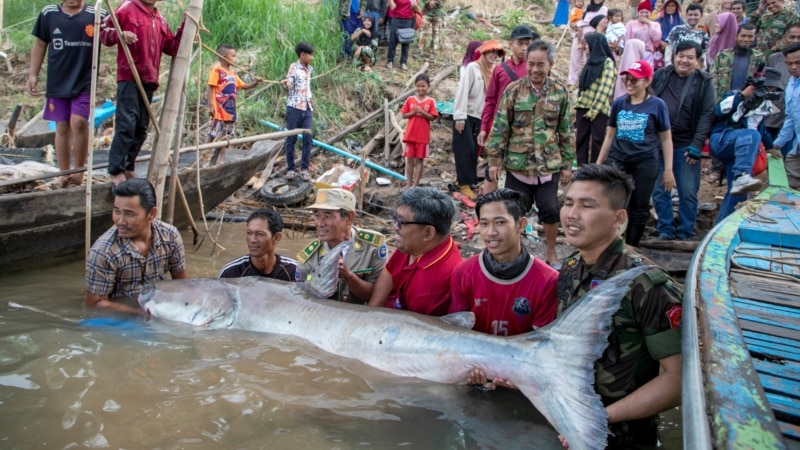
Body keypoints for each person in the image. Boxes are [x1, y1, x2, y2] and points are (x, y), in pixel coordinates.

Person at [557, 164, 683, 448]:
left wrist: (599, 417)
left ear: (619, 218)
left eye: (587, 205)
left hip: (625, 435)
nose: (572, 214)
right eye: (568, 203)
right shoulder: (571, 267)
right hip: (570, 422)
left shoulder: (646, 284)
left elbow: (677, 381)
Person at [486, 40, 574, 267]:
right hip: (518, 164)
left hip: (548, 165)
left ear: (551, 64)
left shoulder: (560, 92)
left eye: (540, 65)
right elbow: (500, 127)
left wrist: (567, 165)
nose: (535, 69)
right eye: (531, 64)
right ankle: (514, 252)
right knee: (513, 211)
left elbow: (565, 131)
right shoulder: (514, 90)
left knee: (550, 209)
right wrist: (494, 162)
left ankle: (551, 251)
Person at [449, 189, 558, 335]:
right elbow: (457, 331)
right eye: (484, 224)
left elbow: (540, 341)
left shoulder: (547, 279)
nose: (490, 232)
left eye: (500, 222)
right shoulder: (463, 272)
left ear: (521, 224)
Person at [100, 0, 184, 186]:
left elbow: (172, 47)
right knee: (127, 123)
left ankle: (129, 166)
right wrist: (120, 35)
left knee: (141, 127)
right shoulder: (127, 8)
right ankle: (116, 170)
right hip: (130, 76)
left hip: (149, 79)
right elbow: (104, 32)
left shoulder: (160, 19)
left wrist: (185, 27)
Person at [27, 0, 107, 188]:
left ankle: (79, 170)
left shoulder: (97, 15)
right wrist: (33, 74)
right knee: (62, 126)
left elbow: (113, 37)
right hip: (57, 81)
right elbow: (40, 44)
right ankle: (64, 172)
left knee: (78, 122)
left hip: (84, 81)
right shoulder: (49, 14)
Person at [596, 59, 675, 247]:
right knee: (614, 202)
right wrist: (599, 163)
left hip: (645, 161)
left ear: (647, 82)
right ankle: (612, 243)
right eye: (627, 80)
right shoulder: (619, 104)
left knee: (639, 206)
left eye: (635, 80)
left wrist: (668, 169)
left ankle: (631, 247)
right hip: (619, 159)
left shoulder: (657, 105)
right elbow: (610, 135)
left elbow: (665, 138)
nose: (630, 84)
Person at [86, 179, 188, 314]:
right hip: (121, 317)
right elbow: (95, 303)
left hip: (156, 309)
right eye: (117, 211)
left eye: (129, 214)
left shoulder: (170, 236)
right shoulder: (104, 251)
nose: (121, 221)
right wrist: (142, 314)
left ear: (151, 214)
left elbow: (184, 285)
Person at [651, 41, 716, 241]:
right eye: (681, 56)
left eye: (690, 57)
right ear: (674, 56)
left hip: (686, 145)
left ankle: (687, 230)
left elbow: (706, 115)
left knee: (688, 190)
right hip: (658, 143)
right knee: (660, 190)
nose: (684, 60)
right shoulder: (662, 75)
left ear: (698, 61)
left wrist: (697, 145)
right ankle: (666, 230)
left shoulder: (704, 82)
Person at [368, 187, 462, 315]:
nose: (394, 226)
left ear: (428, 233)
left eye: (401, 221)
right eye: (395, 218)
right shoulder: (416, 244)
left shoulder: (430, 288)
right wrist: (371, 312)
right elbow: (388, 273)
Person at [709, 67, 784, 222]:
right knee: (751, 134)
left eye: (773, 88)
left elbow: (761, 130)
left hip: (742, 152)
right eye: (768, 87)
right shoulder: (734, 96)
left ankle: (723, 225)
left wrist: (770, 147)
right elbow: (718, 113)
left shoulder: (763, 106)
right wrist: (743, 97)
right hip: (723, 141)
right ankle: (742, 176)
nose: (770, 91)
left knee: (739, 193)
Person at [297, 188, 388, 304]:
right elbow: (302, 296)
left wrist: (348, 276)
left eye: (327, 216)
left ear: (349, 217)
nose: (320, 223)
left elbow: (379, 297)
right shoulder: (310, 255)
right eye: (317, 215)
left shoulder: (373, 246)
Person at [452, 40, 504, 199]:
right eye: (491, 52)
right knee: (465, 149)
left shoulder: (492, 71)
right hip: (466, 114)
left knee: (474, 150)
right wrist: (459, 116)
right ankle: (463, 183)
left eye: (497, 53)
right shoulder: (473, 68)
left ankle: (470, 181)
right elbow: (462, 91)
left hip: (480, 116)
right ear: (484, 53)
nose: (494, 56)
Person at [205, 44, 260, 165]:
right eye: (233, 56)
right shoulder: (217, 71)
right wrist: (210, 105)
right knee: (212, 134)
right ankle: (205, 157)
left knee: (226, 135)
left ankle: (221, 160)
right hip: (218, 110)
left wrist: (256, 83)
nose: (236, 59)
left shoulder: (233, 74)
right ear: (224, 57)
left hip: (229, 111)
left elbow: (243, 86)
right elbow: (210, 87)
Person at [218, 209, 299, 281]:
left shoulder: (294, 270)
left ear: (277, 237)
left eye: (260, 234)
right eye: (249, 233)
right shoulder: (231, 273)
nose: (252, 240)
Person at [575, 33, 617, 167]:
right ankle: (582, 168)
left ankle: (595, 169)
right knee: (581, 139)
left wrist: (593, 111)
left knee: (597, 141)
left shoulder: (607, 63)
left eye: (587, 43)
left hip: (598, 110)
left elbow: (605, 89)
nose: (585, 46)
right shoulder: (590, 62)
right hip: (583, 106)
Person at [282, 41, 315, 182]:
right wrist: (286, 84)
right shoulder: (293, 68)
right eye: (310, 55)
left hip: (307, 108)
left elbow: (307, 88)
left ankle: (304, 169)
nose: (312, 58)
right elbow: (289, 82)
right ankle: (290, 168)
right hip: (294, 108)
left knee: (308, 138)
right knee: (291, 139)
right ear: (302, 55)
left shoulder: (310, 69)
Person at [401, 73, 439, 187]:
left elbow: (433, 117)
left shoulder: (431, 101)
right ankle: (409, 183)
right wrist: (413, 112)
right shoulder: (410, 99)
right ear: (415, 86)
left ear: (428, 86)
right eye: (418, 86)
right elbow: (404, 115)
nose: (420, 88)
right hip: (410, 135)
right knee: (409, 159)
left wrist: (422, 112)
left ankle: (415, 184)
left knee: (420, 160)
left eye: (423, 86)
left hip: (422, 136)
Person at [710, 23, 764, 102]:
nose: (746, 39)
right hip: (723, 101)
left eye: (750, 36)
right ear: (736, 36)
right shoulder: (722, 55)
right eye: (743, 36)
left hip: (747, 102)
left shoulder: (759, 57)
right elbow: (712, 79)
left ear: (754, 38)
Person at [772, 42, 800, 189]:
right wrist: (778, 143)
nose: (794, 67)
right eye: (791, 64)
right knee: (790, 185)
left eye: (798, 63)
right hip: (797, 146)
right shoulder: (791, 84)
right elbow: (790, 117)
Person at [765, 23, 800, 143]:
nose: (795, 41)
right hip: (775, 116)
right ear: (785, 38)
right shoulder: (774, 58)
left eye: (799, 37)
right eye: (792, 37)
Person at [569, 0, 608, 88]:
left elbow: (598, 22)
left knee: (588, 60)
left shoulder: (604, 9)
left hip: (592, 37)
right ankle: (571, 82)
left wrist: (579, 24)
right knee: (575, 59)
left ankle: (586, 83)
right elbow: (578, 20)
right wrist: (574, 25)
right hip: (579, 35)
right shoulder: (588, 8)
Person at [624, 0, 662, 67]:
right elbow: (627, 41)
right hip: (633, 53)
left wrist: (649, 24)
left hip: (648, 53)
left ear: (650, 13)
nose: (644, 14)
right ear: (638, 13)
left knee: (647, 76)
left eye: (646, 12)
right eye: (641, 12)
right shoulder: (631, 24)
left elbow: (656, 39)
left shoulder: (655, 24)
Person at [386, 0, 415, 71]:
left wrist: (414, 5)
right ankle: (390, 60)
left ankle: (403, 62)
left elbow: (414, 7)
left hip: (408, 19)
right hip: (397, 19)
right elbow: (392, 7)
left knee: (406, 41)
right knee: (393, 40)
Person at [654, 0, 683, 69]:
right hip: (661, 50)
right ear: (665, 7)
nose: (671, 8)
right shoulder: (659, 21)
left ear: (676, 7)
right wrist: (661, 42)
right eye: (669, 6)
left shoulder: (680, 21)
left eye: (673, 6)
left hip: (676, 51)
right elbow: (654, 34)